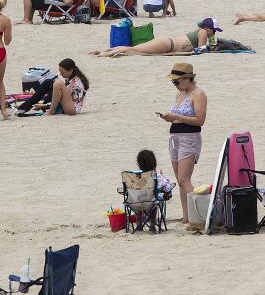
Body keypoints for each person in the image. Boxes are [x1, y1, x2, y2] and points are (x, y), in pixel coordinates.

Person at [157, 62, 207, 224]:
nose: (175, 85)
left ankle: (200, 214)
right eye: (173, 82)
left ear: (187, 78)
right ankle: (187, 217)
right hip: (175, 137)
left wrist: (176, 117)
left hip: (189, 138)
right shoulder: (180, 94)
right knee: (180, 180)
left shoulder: (198, 94)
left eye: (177, 82)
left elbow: (200, 120)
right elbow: (178, 116)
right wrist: (169, 117)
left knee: (185, 179)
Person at [92, 18, 223, 57]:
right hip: (167, 44)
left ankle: (106, 51)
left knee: (135, 48)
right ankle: (104, 54)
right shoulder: (203, 32)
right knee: (133, 49)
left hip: (167, 43)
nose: (214, 33)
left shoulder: (200, 31)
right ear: (208, 28)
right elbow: (201, 50)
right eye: (214, 31)